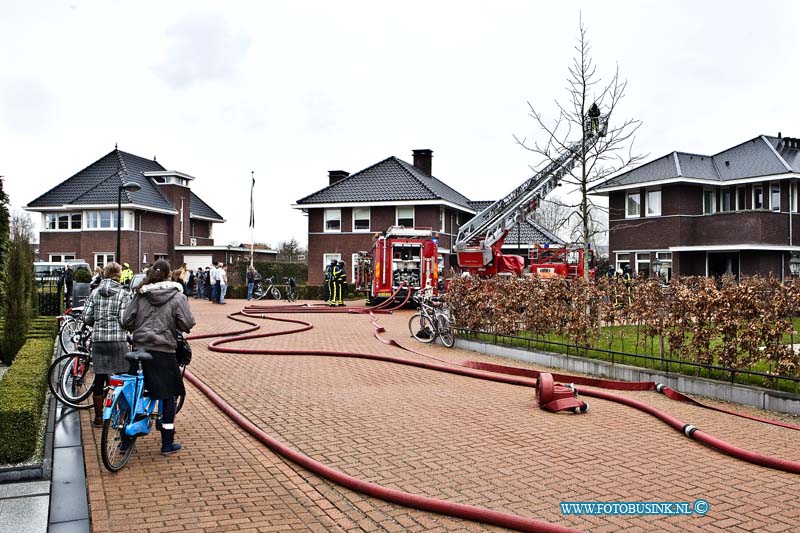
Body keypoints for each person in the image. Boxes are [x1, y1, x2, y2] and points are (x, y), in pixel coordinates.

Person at [123, 259, 195, 456]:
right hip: (163, 351)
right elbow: (187, 323)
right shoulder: (177, 296)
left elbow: (126, 320)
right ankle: (167, 443)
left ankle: (124, 441)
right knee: (169, 394)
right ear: (168, 274)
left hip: (139, 349)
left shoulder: (140, 294)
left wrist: (137, 327)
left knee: (132, 392)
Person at [83, 262, 131, 427]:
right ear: (118, 275)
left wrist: (97, 322)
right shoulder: (123, 294)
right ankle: (123, 416)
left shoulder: (95, 293)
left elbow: (86, 317)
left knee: (99, 377)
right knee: (123, 378)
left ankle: (98, 417)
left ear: (104, 274)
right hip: (118, 341)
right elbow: (125, 320)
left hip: (99, 341)